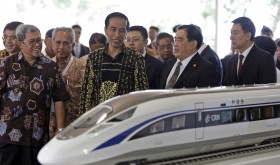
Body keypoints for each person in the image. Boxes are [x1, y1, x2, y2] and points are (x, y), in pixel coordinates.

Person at [0, 24, 69, 165]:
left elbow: (60, 99)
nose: (37, 45)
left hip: (37, 136)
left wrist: (60, 129)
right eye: (32, 42)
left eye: (39, 40)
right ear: (20, 43)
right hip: (8, 135)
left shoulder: (51, 67)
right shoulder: (6, 64)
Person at [79, 12, 148, 112]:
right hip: (97, 118)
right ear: (105, 30)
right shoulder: (94, 57)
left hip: (125, 118)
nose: (117, 35)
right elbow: (86, 93)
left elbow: (141, 94)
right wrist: (85, 122)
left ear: (126, 33)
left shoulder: (136, 58)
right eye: (113, 29)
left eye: (122, 31)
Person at [158, 24, 218, 89]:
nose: (175, 44)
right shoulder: (168, 64)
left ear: (193, 44)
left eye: (180, 40)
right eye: (175, 40)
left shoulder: (206, 69)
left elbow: (202, 97)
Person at [49, 27, 84, 138]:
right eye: (58, 43)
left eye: (65, 43)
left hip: (75, 126)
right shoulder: (45, 66)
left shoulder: (82, 67)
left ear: (72, 45)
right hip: (49, 125)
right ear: (52, 43)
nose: (61, 47)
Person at [223, 17, 276, 86]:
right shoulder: (230, 61)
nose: (231, 37)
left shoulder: (265, 59)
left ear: (248, 36)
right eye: (231, 33)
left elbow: (267, 92)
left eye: (235, 33)